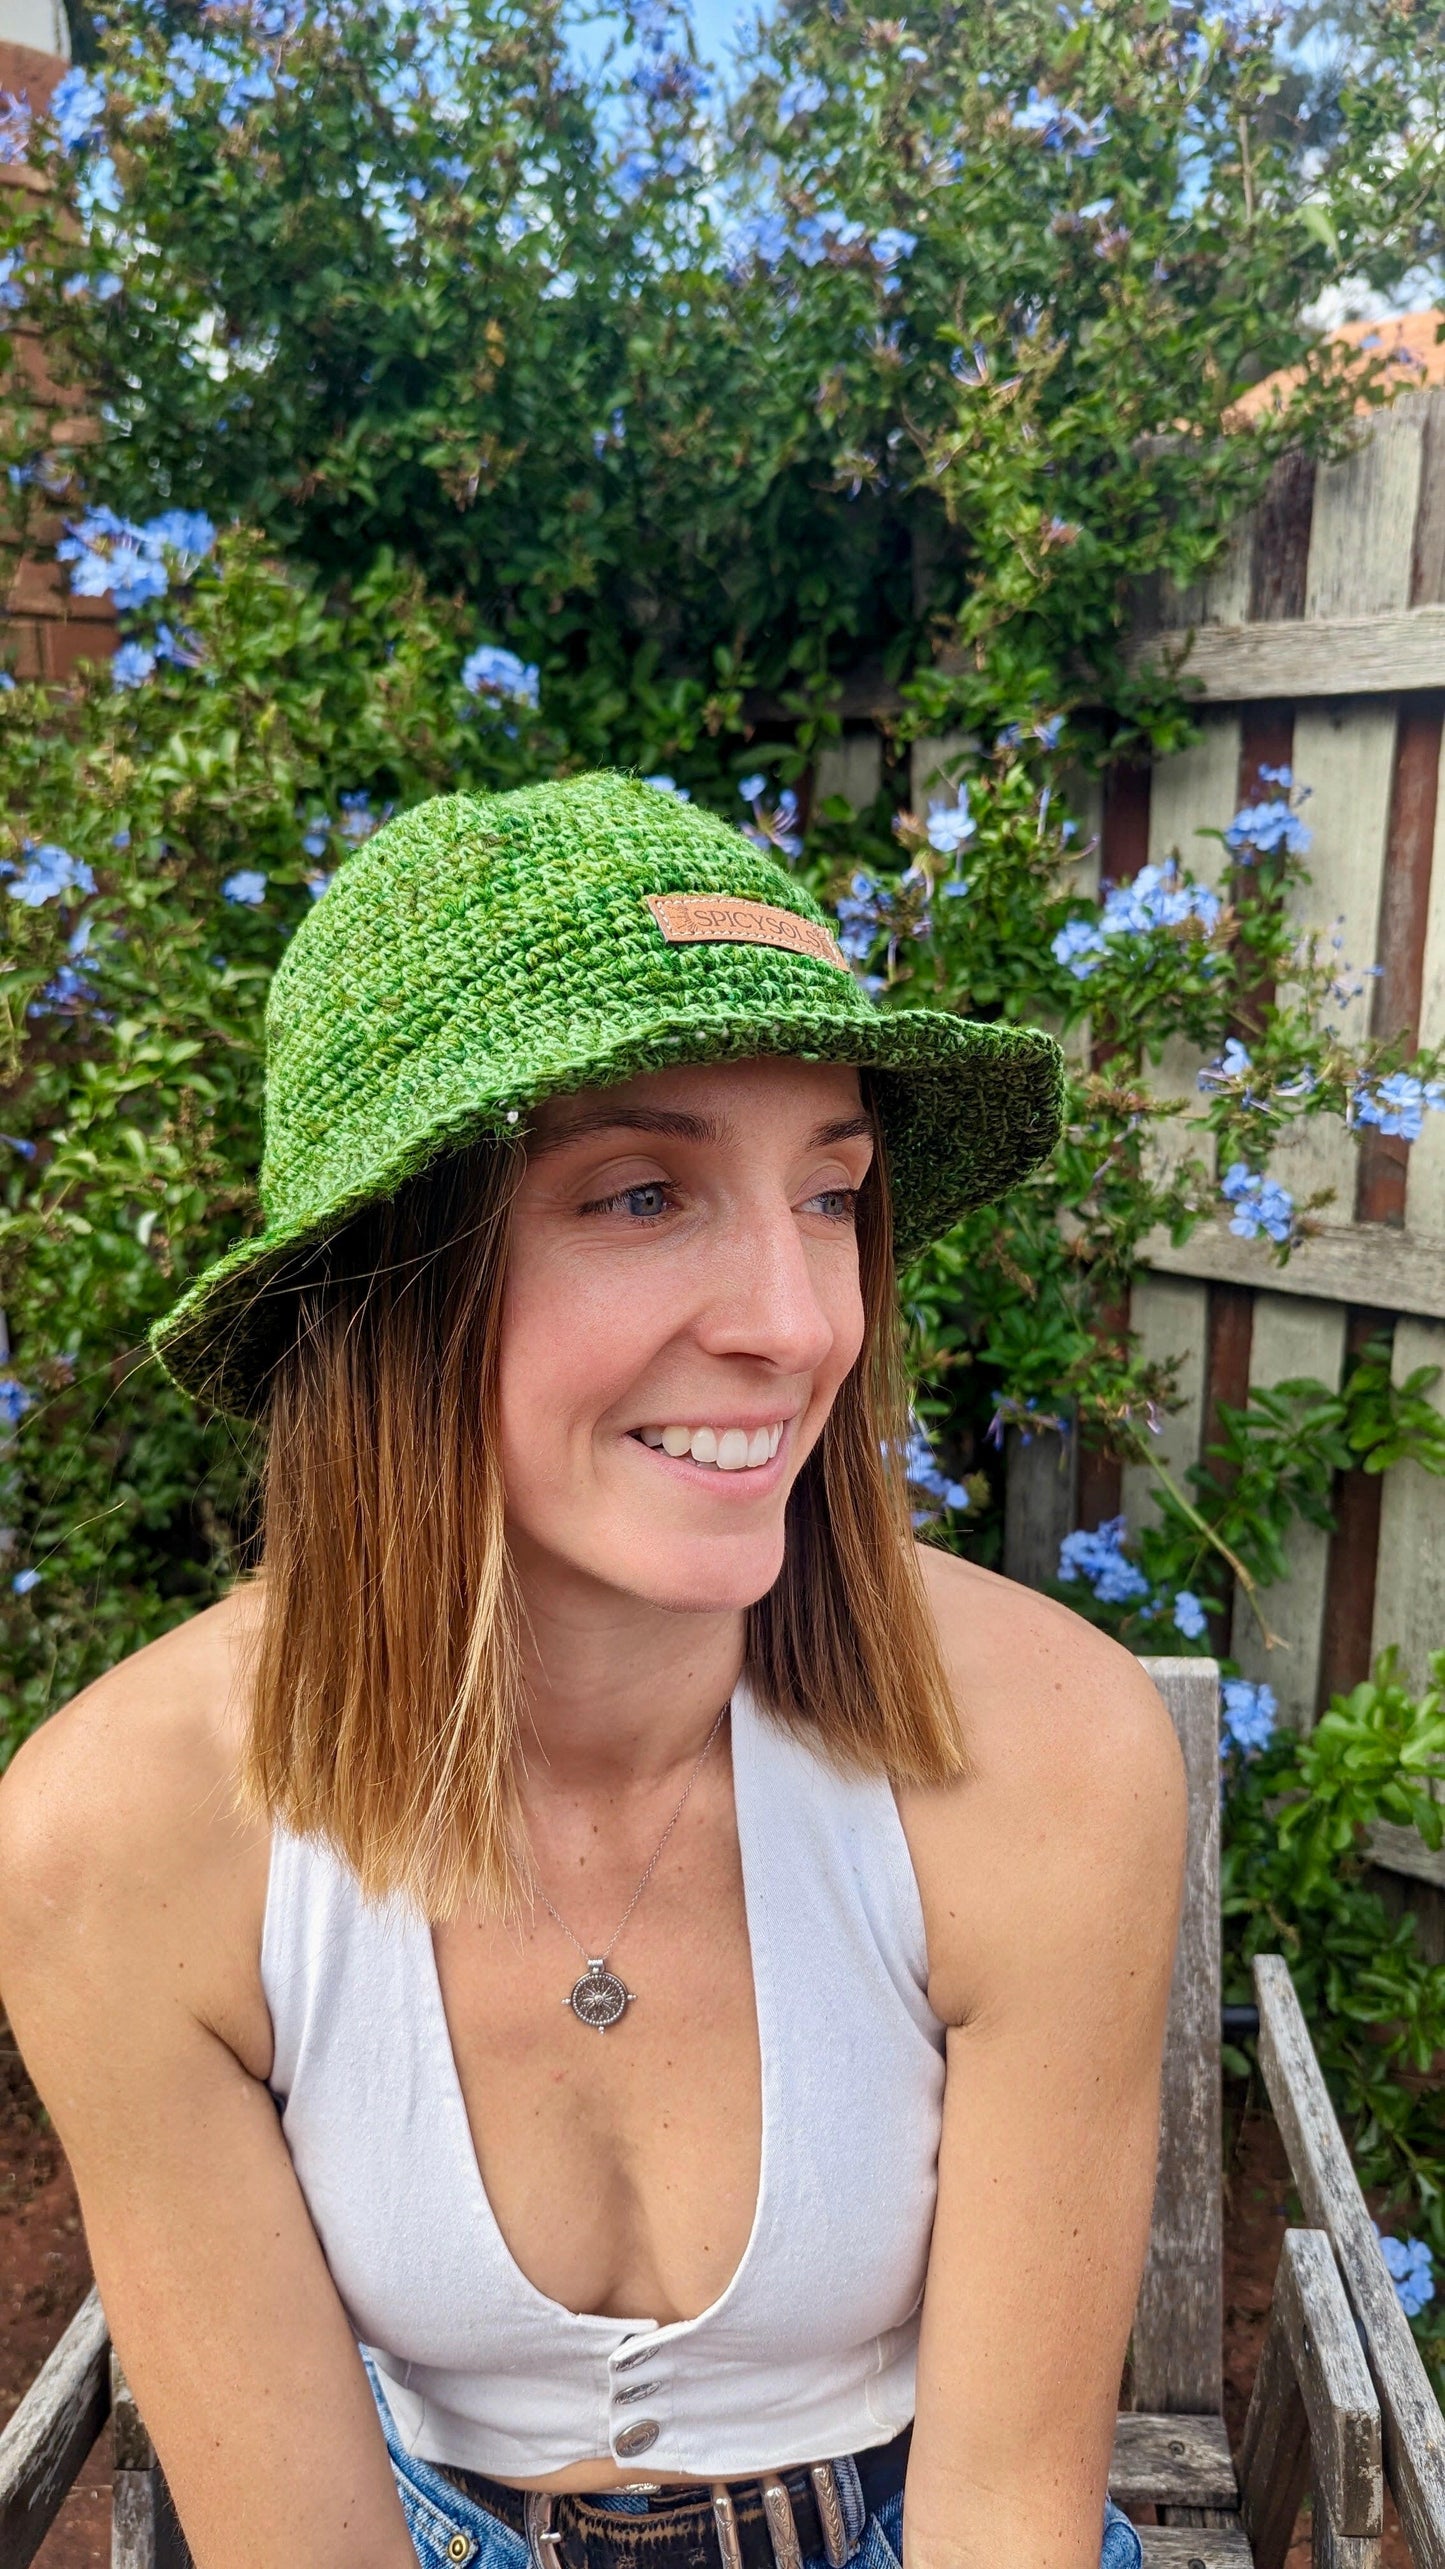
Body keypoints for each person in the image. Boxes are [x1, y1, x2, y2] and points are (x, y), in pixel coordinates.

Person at [0, 773, 1184, 2569]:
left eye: (830, 1194)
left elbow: (1003, 2509)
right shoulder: (125, 1840)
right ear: (388, 1278)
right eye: (641, 1194)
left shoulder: (1043, 1754)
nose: (798, 1322)